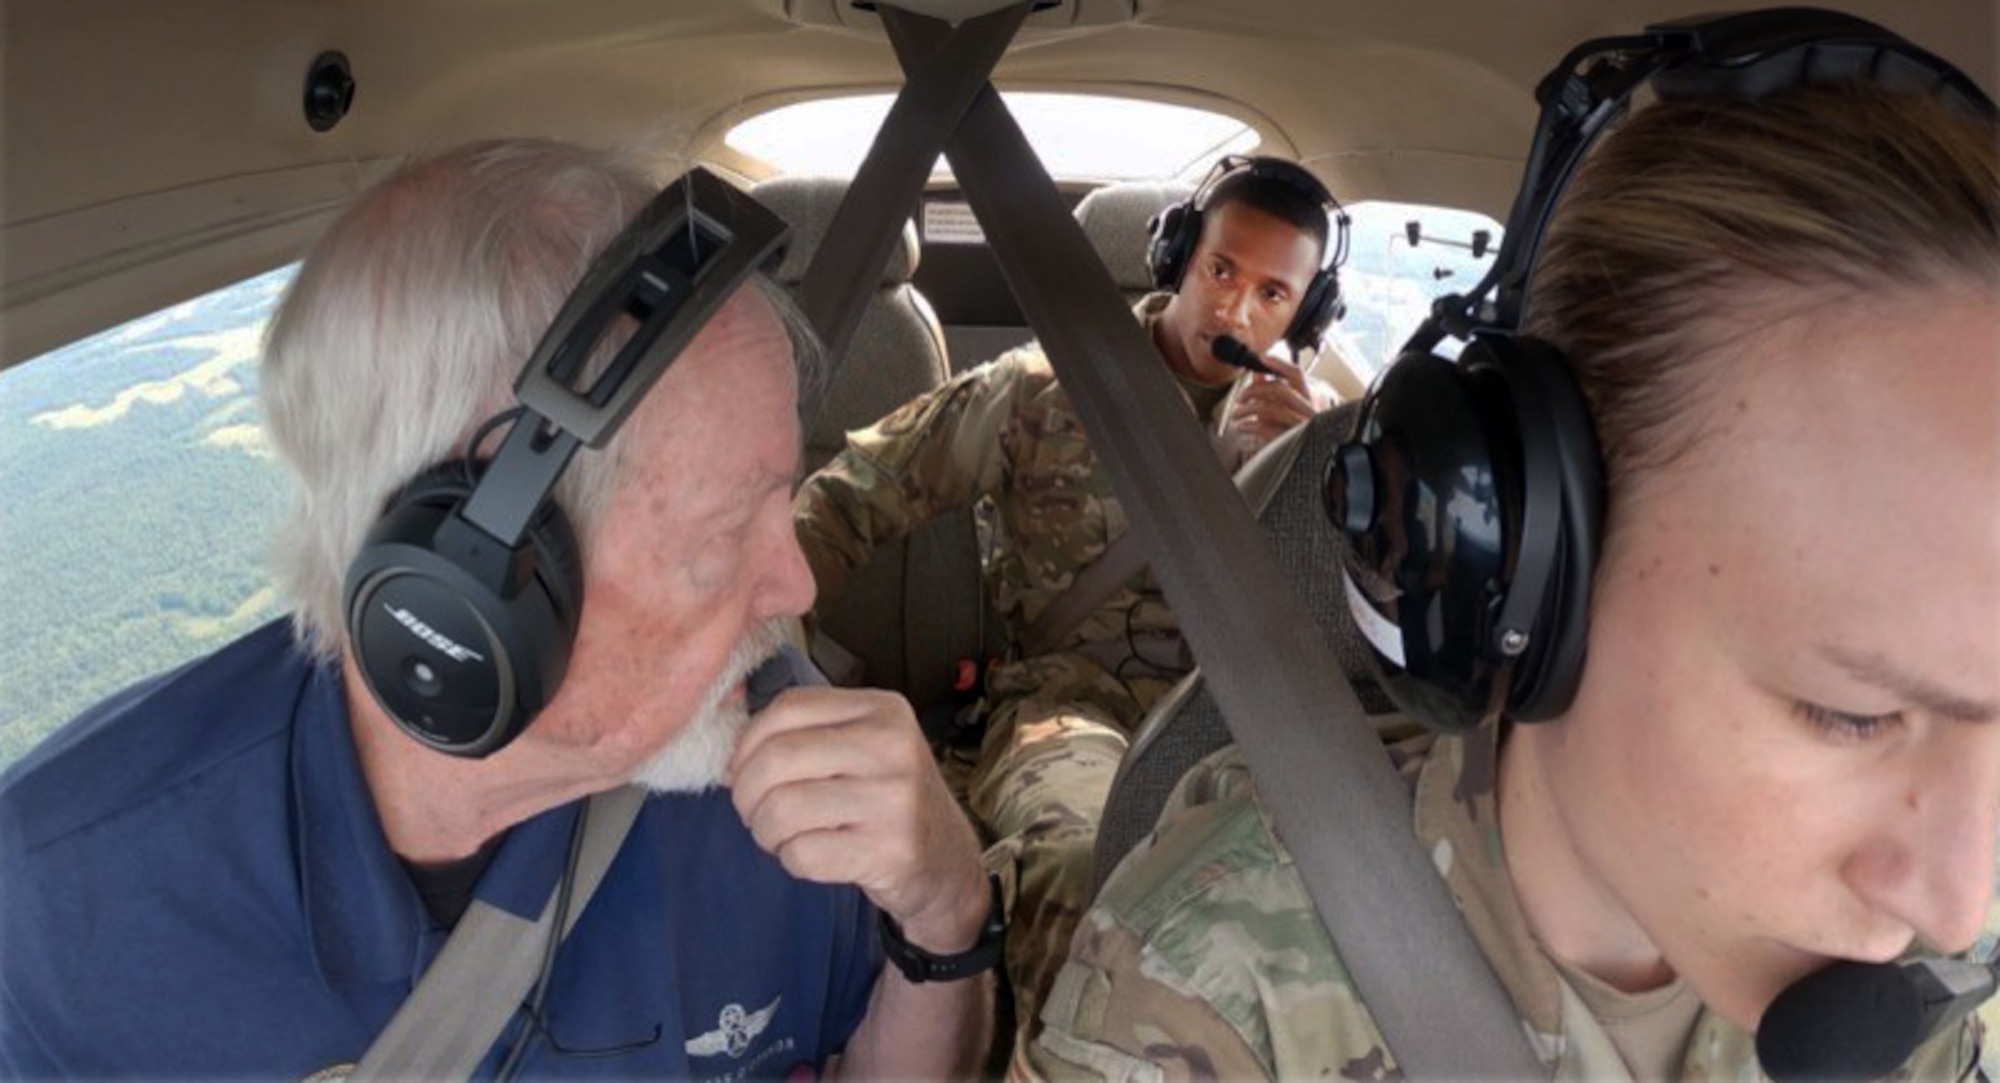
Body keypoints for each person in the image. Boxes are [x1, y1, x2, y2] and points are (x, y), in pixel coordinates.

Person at [1023, 35, 2000, 1083]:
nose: (1953, 903)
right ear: (1519, 575)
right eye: (1851, 714)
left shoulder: (1933, 971)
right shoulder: (1203, 990)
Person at [0, 139, 994, 1080]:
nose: (799, 590)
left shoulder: (782, 768)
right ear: (472, 582)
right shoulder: (51, 921)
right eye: (719, 539)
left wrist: (947, 917)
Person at [793, 155, 1345, 1043]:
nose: (1238, 310)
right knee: (1082, 856)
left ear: (1306, 313)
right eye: (1220, 271)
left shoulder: (1314, 431)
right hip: (1068, 701)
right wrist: (767, 641)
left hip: (1242, 714)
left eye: (1275, 294)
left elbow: (1359, 622)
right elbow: (851, 495)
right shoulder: (1043, 389)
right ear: (1175, 260)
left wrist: (1301, 477)